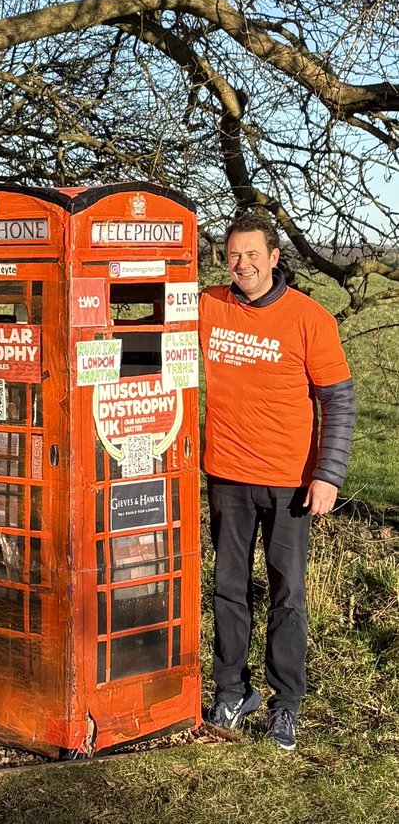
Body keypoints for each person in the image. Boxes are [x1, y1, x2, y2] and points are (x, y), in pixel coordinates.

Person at [198, 211, 355, 751]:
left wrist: (328, 475)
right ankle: (231, 691)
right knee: (227, 589)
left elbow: (338, 400)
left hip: (290, 481)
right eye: (232, 254)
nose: (241, 264)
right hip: (225, 473)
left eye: (251, 255)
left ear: (274, 258)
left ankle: (285, 701)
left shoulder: (310, 319)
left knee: (287, 594)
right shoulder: (208, 305)